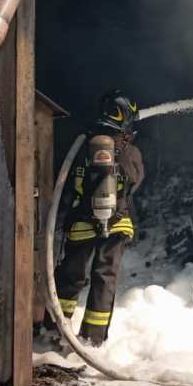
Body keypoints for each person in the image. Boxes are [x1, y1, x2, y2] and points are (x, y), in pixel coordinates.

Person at [52, 90, 145, 346]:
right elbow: (135, 181)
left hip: (82, 223)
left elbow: (67, 182)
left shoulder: (82, 146)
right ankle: (93, 340)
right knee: (105, 279)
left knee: (70, 276)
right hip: (117, 224)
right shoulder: (129, 151)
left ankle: (54, 330)